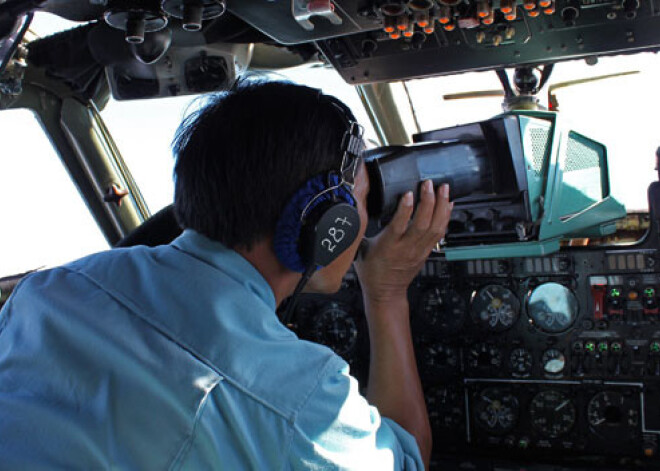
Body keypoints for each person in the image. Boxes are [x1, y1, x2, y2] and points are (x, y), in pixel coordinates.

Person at [0, 80, 453, 469]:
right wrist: (388, 294)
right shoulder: (296, 400)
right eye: (364, 205)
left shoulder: (50, 289)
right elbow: (407, 460)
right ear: (323, 223)